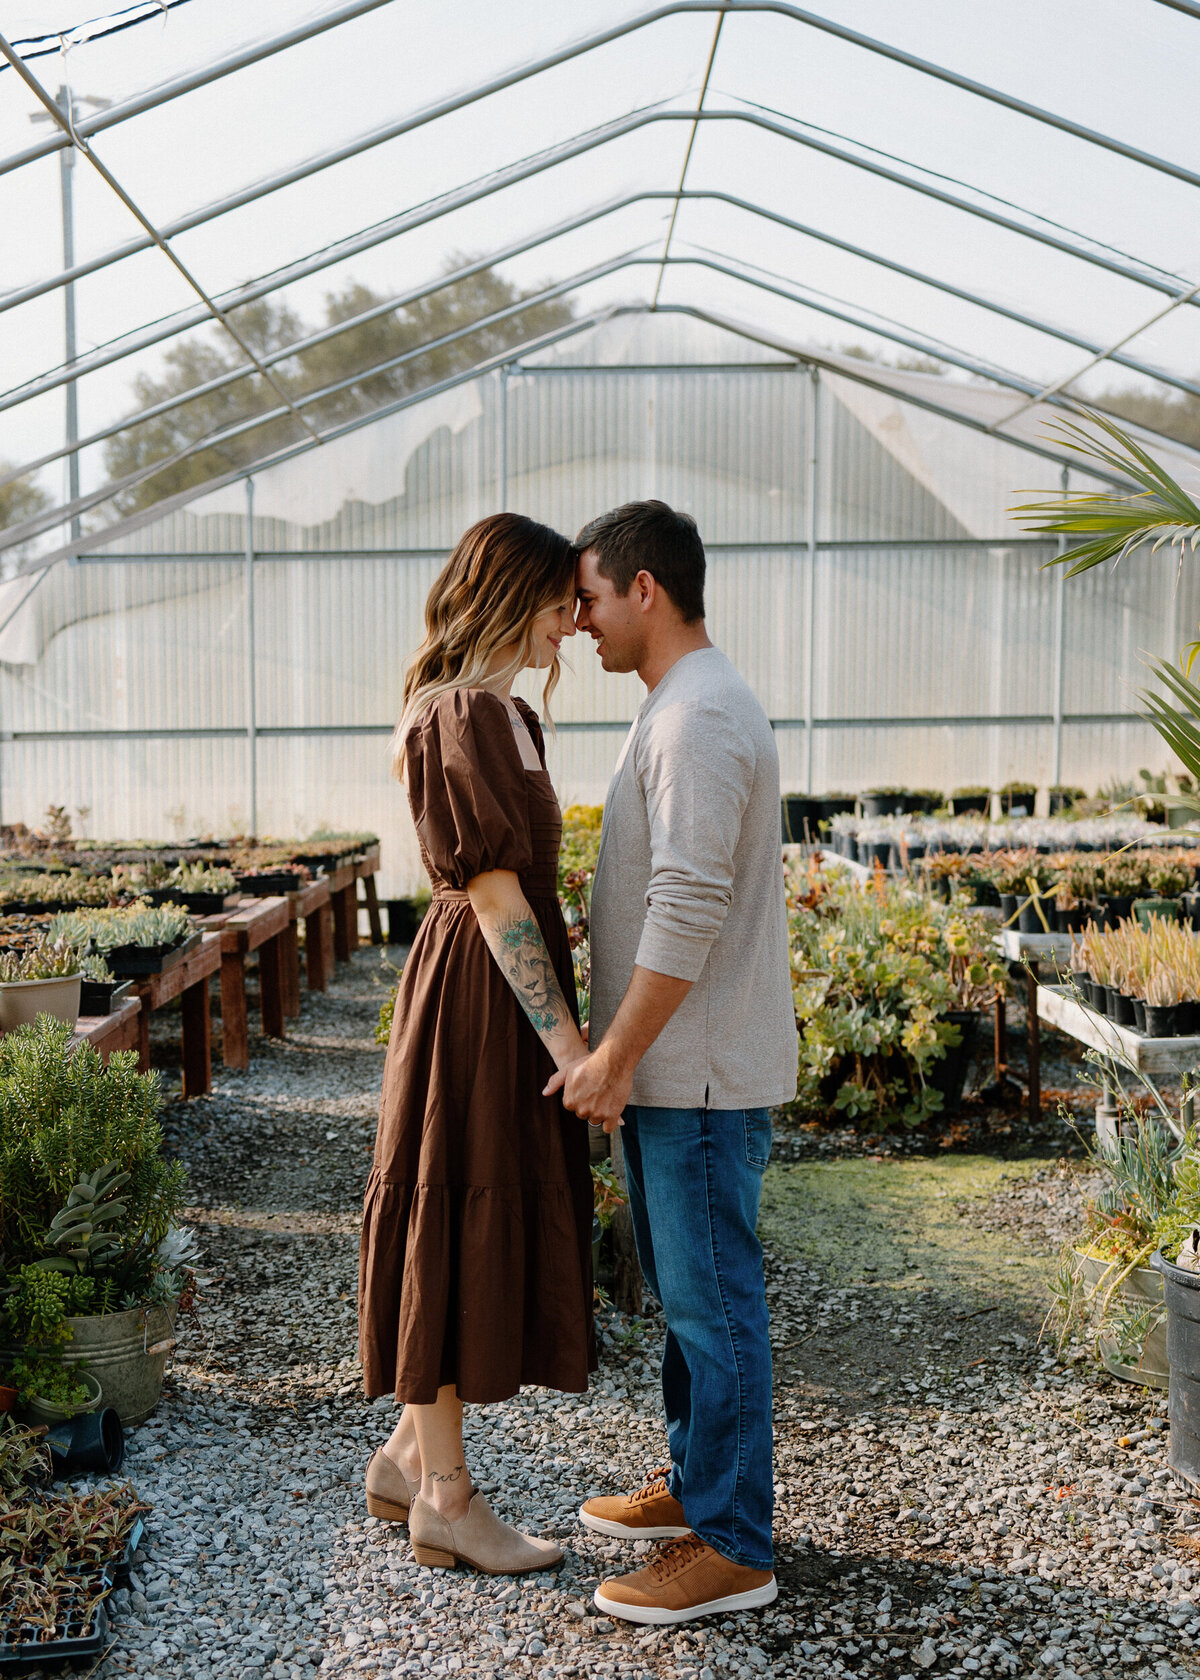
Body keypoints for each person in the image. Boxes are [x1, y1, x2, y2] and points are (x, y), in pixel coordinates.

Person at [548, 499, 799, 1624]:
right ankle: (703, 1492)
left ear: (645, 589)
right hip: (678, 1073)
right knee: (689, 1302)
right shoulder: (679, 705)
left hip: (691, 1074)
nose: (579, 620)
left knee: (715, 1309)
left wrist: (612, 1057)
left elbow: (688, 906)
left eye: (591, 597)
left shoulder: (697, 718)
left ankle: (737, 1545)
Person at [358, 511, 604, 1576]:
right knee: (457, 1207)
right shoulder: (463, 714)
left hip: (480, 990)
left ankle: (408, 1458)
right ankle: (448, 1504)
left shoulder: (501, 715)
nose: (570, 628)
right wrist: (571, 1045)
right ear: (514, 598)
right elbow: (499, 896)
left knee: (460, 1199)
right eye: (560, 606)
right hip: (479, 995)